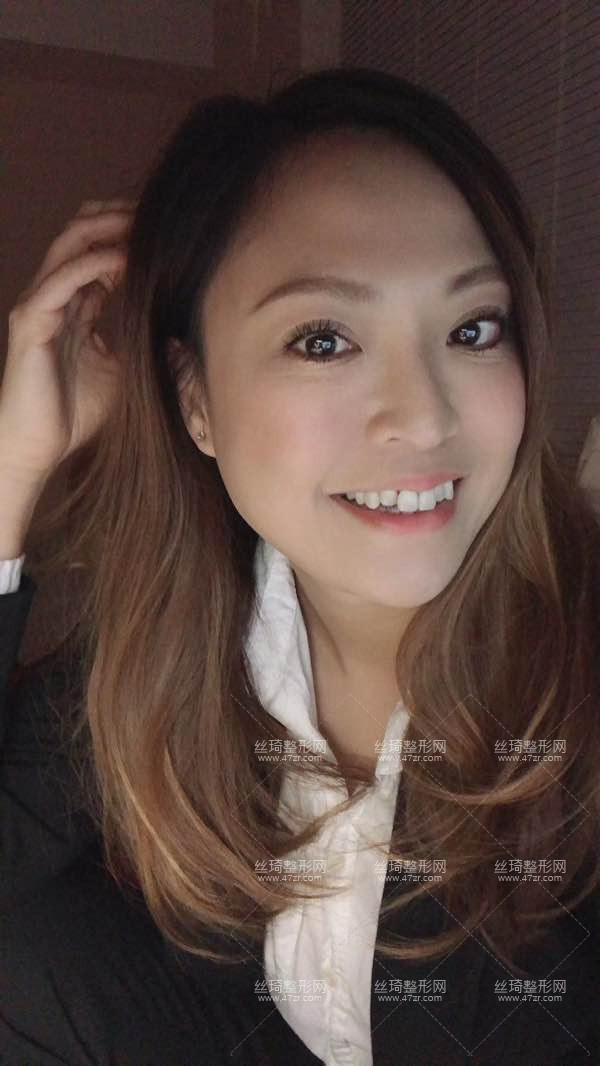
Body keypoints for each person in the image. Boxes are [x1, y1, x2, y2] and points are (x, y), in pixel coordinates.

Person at [1, 66, 599, 1065]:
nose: (423, 417)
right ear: (196, 402)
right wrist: (12, 467)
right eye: (324, 339)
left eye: (471, 329)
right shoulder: (187, 641)